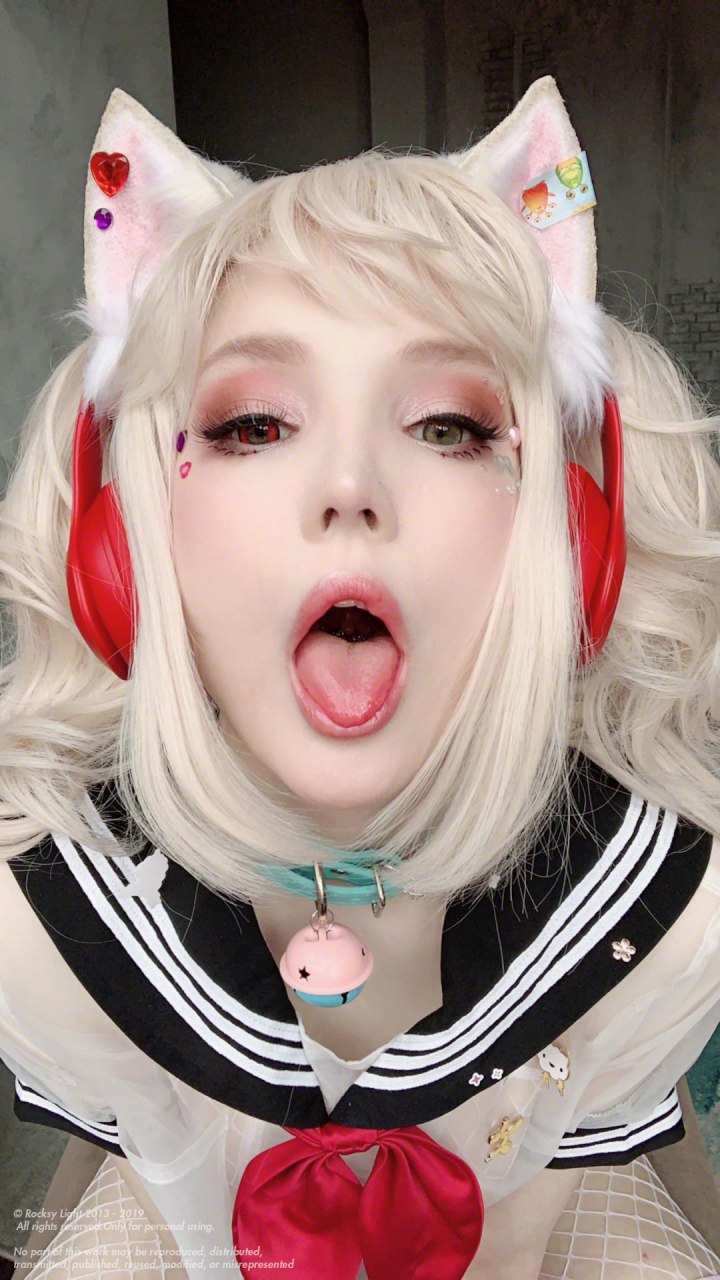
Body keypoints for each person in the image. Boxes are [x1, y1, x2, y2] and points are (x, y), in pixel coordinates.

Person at [0, 74, 718, 1280]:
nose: (349, 485)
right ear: (122, 542)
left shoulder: (666, 910)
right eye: (252, 424)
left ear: (576, 540)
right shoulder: (42, 918)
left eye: (447, 424)